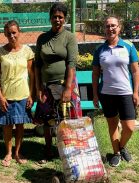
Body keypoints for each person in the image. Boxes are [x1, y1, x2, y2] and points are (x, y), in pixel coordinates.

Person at [34, 2, 82, 164]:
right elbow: (38, 65)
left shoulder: (70, 37)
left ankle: (71, 150)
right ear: (50, 18)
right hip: (47, 86)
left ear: (65, 19)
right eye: (54, 16)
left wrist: (68, 88)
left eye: (60, 17)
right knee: (48, 120)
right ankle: (48, 150)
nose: (57, 19)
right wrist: (39, 88)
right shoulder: (42, 38)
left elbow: (71, 64)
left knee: (69, 120)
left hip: (65, 84)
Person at [92, 15, 139, 167]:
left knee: (129, 127)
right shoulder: (99, 50)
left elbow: (135, 71)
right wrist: (94, 95)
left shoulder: (128, 46)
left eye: (113, 25)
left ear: (119, 28)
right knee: (112, 125)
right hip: (106, 94)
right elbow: (95, 73)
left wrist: (136, 92)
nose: (110, 28)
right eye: (107, 26)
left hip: (126, 93)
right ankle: (117, 153)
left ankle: (121, 146)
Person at [0, 20, 34, 167]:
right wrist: (0, 96)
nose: (12, 35)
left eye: (14, 32)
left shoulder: (27, 51)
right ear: (5, 34)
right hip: (6, 96)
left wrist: (31, 95)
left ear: (19, 32)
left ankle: (18, 152)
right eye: (9, 33)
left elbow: (32, 74)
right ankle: (9, 152)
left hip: (23, 94)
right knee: (7, 125)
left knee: (20, 124)